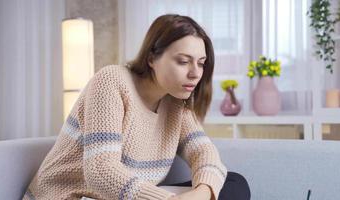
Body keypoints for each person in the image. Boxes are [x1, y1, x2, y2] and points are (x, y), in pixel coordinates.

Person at [23, 14, 250, 200]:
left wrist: (202, 193)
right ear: (152, 58)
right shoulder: (112, 81)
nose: (195, 73)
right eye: (183, 61)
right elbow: (100, 171)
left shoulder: (175, 102)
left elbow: (204, 152)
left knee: (234, 183)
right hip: (72, 197)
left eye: (201, 63)